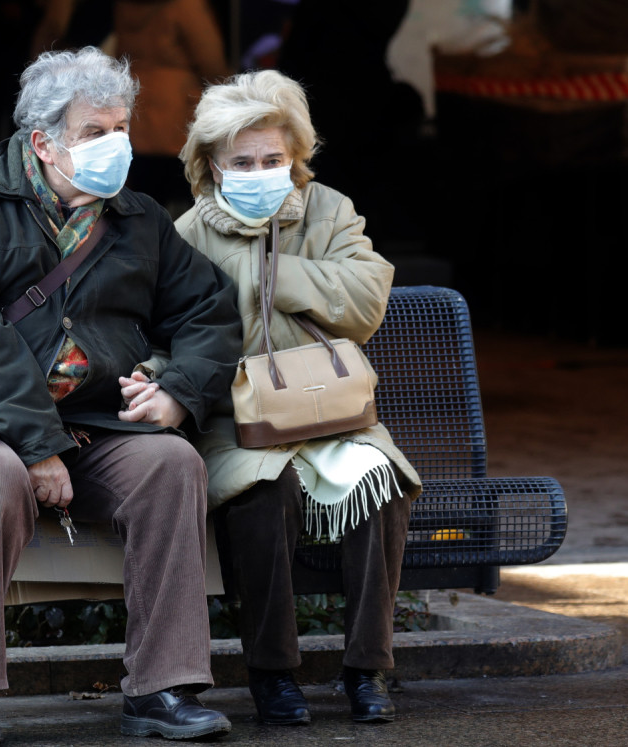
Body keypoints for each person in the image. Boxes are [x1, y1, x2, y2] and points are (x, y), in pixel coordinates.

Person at [0, 47, 242, 745]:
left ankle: (162, 689)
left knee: (173, 465)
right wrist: (37, 443)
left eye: (121, 128)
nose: (117, 146)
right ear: (43, 143)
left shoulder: (139, 221)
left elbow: (210, 312)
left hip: (95, 424)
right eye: (94, 132)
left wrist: (177, 391)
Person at [122, 69, 423, 725]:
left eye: (274, 160)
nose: (260, 172)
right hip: (238, 420)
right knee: (260, 492)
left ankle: (367, 669)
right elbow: (160, 333)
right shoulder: (186, 234)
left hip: (331, 411)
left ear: (295, 157)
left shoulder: (329, 210)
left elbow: (368, 299)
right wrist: (151, 378)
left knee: (384, 486)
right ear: (211, 164)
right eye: (243, 162)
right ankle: (273, 673)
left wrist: (271, 275)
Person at [113, 0, 230, 216]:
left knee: (143, 207)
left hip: (136, 117)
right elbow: (212, 63)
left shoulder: (126, 7)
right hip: (177, 122)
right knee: (187, 210)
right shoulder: (185, 6)